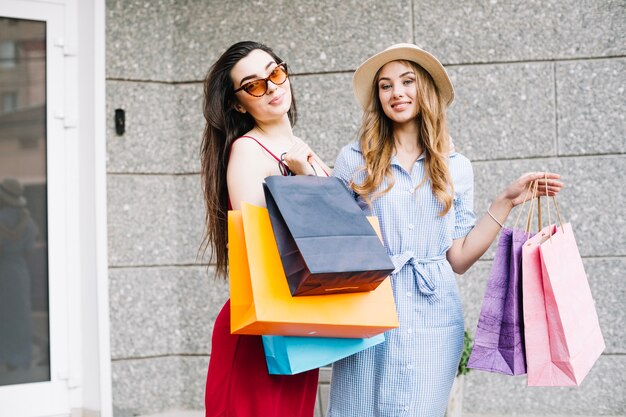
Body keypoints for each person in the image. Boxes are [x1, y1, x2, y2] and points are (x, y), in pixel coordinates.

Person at [326, 43, 564, 417]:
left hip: (433, 320)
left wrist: (505, 200)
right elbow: (335, 240)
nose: (397, 93)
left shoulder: (456, 167)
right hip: (369, 315)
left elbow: (459, 257)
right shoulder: (353, 159)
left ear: (425, 90)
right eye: (386, 86)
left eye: (407, 81)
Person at [200, 41, 330, 417]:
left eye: (275, 73)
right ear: (238, 104)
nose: (272, 87)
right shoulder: (247, 150)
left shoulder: (299, 147)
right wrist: (306, 178)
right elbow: (260, 244)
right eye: (255, 84)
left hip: (297, 321)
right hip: (261, 326)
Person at [0, 178, 38, 372]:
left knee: (3, 315)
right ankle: (21, 358)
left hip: (3, 269)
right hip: (20, 271)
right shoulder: (28, 221)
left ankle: (4, 357)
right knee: (20, 314)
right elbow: (29, 251)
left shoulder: (1, 219)